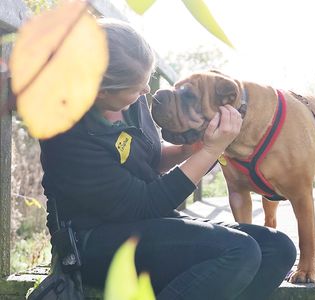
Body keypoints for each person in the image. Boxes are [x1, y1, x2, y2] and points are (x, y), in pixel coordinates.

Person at [40, 18, 296, 300]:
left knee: (279, 249)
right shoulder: (67, 133)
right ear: (100, 90)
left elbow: (148, 159)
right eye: (138, 88)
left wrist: (194, 147)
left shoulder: (127, 99)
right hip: (92, 244)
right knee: (239, 251)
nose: (146, 92)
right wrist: (211, 151)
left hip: (145, 227)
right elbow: (144, 204)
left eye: (146, 82)